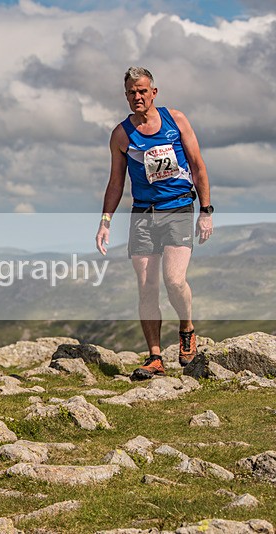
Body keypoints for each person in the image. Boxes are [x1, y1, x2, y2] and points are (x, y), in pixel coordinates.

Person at [96, 66, 213, 381]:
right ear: (126, 96)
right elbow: (115, 182)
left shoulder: (176, 120)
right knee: (146, 287)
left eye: (142, 91)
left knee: (174, 280)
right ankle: (155, 358)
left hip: (177, 209)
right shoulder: (121, 135)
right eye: (131, 93)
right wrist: (105, 221)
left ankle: (186, 327)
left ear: (153, 93)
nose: (137, 97)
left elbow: (199, 167)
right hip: (142, 215)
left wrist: (206, 210)